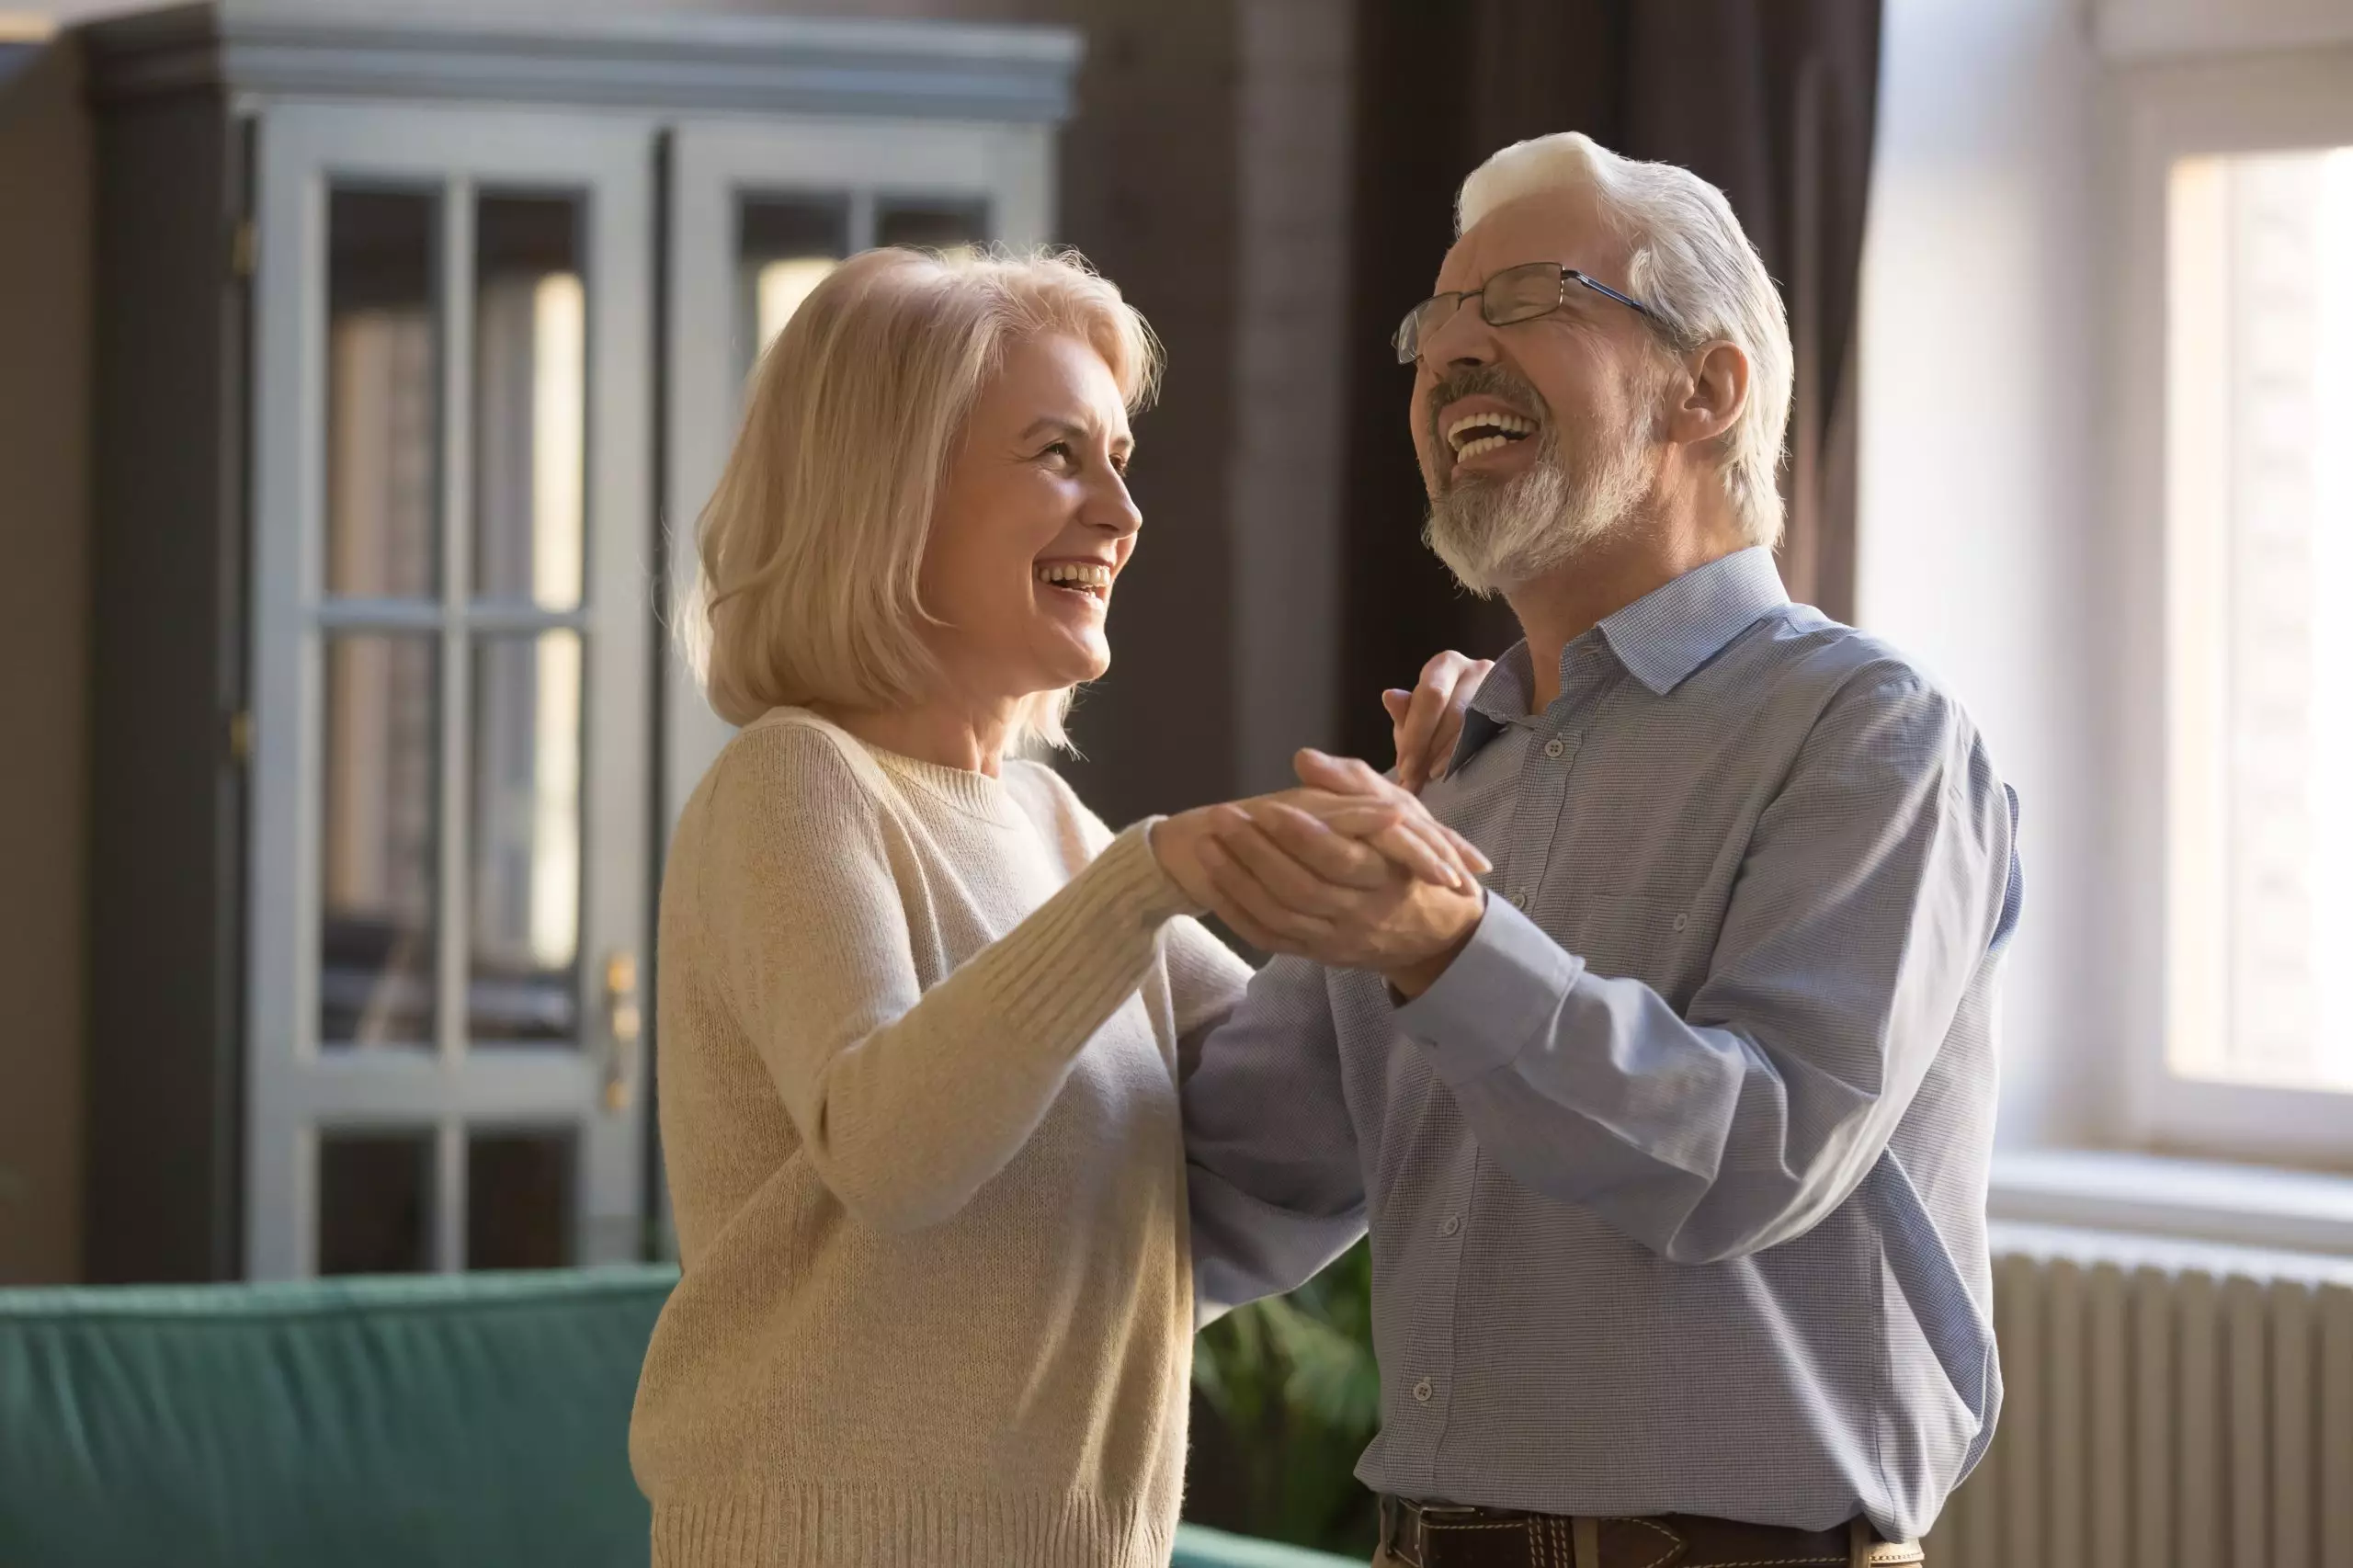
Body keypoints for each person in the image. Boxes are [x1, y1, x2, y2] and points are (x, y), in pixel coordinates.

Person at [1178, 132, 2023, 1568]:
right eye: (1432, 325)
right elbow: (1224, 1183)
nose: (1450, 357)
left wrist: (1447, 949)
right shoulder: (1446, 782)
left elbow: (1755, 1157)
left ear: (1711, 385)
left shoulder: (1874, 737)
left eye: (1521, 301)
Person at [627, 244, 1490, 1568]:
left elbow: (1307, 1120)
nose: (1123, 513)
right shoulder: (795, 784)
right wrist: (1148, 879)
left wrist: (1418, 823)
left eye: (1121, 458)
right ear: (891, 494)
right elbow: (894, 1153)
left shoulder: (1049, 828)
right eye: (1057, 454)